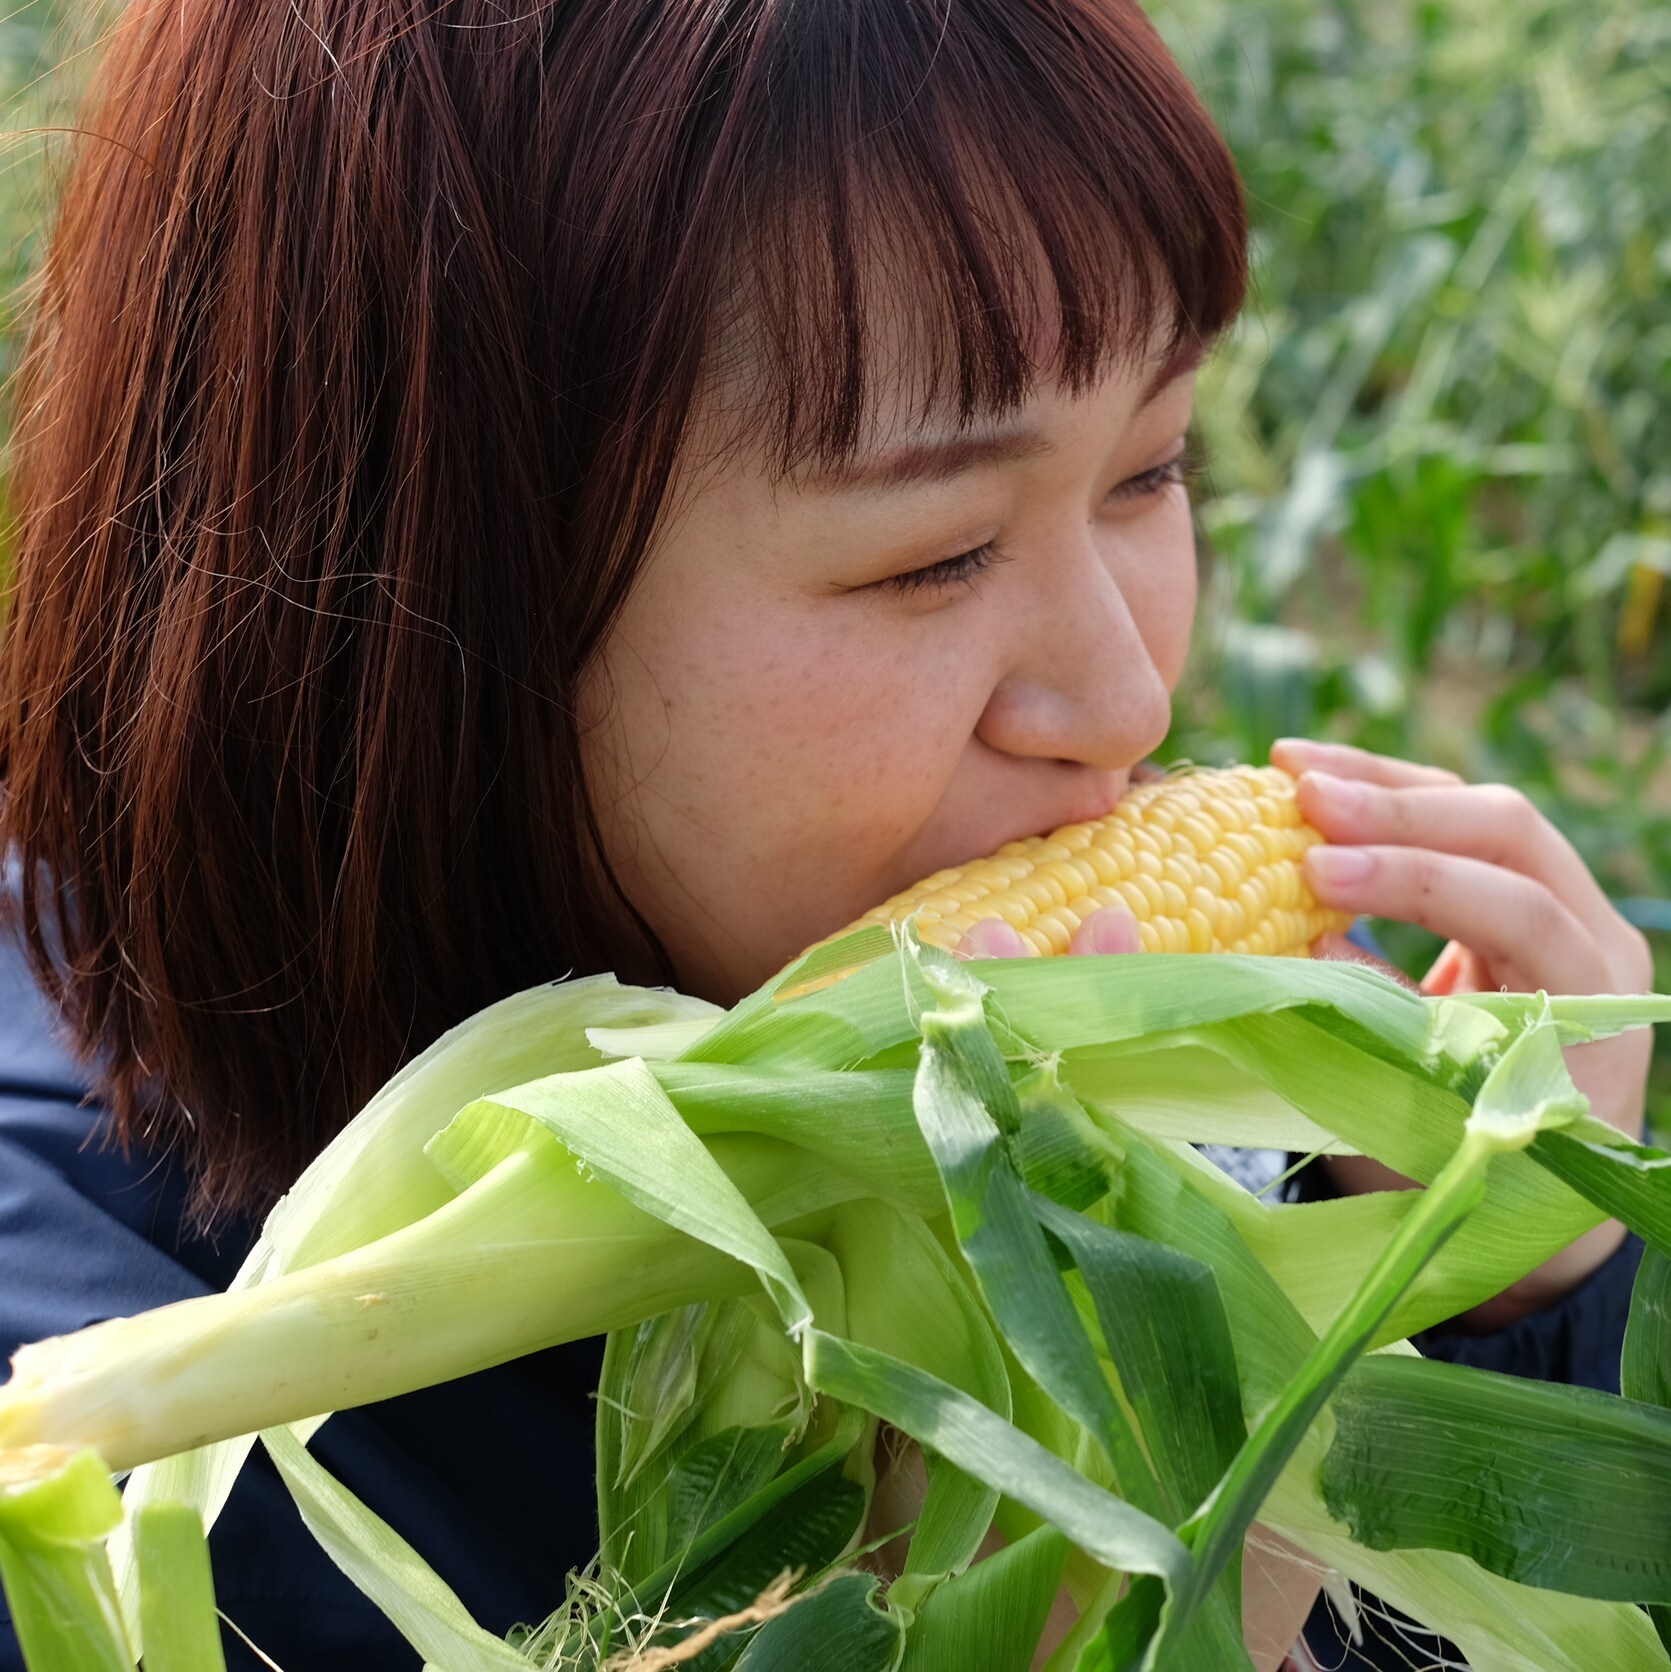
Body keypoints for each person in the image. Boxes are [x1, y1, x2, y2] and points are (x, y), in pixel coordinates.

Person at [0, 1, 1652, 1667]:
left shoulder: (1150, 1133)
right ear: (411, 616)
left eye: (1153, 469)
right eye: (930, 557)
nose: (1129, 703)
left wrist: (1509, 1305)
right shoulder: (113, 1446)